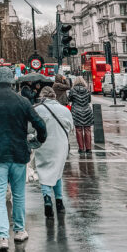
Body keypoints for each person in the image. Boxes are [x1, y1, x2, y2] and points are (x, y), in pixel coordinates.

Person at [0, 66, 47, 252]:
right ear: (12, 81)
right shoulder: (22, 101)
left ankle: (2, 236)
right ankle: (20, 231)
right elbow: (40, 124)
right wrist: (38, 141)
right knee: (19, 193)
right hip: (19, 152)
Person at [33, 86, 74, 218]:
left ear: (42, 97)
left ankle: (47, 199)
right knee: (57, 172)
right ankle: (59, 202)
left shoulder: (37, 109)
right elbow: (71, 127)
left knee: (44, 172)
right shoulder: (64, 110)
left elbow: (28, 128)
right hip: (60, 146)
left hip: (43, 144)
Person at [69, 76, 94, 153]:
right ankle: (88, 148)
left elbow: (69, 99)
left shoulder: (72, 90)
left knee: (78, 130)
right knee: (87, 129)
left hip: (76, 111)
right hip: (87, 110)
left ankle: (81, 148)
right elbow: (89, 100)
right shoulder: (87, 90)